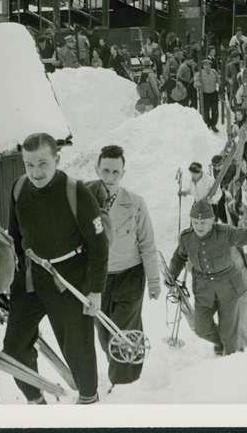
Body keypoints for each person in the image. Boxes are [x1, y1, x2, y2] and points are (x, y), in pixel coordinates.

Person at [3, 133, 108, 405]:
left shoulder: (76, 192)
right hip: (31, 278)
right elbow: (15, 238)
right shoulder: (18, 189)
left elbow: (99, 246)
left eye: (42, 163)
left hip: (70, 278)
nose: (35, 172)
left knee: (77, 347)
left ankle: (88, 400)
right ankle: (36, 400)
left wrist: (95, 291)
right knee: (13, 347)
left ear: (57, 159)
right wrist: (10, 277)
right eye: (29, 164)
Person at [86, 145, 160, 388]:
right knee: (104, 333)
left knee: (122, 330)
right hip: (99, 279)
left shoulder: (135, 203)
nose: (109, 177)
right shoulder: (85, 200)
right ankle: (121, 369)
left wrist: (154, 281)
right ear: (97, 169)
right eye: (105, 170)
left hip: (130, 275)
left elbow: (148, 244)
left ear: (123, 173)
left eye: (115, 172)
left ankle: (124, 383)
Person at [167, 200, 247, 356]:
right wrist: (172, 274)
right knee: (201, 327)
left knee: (231, 336)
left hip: (230, 287)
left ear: (212, 221)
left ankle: (231, 361)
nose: (199, 226)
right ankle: (221, 342)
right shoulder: (187, 238)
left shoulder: (225, 233)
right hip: (204, 289)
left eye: (203, 222)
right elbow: (179, 257)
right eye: (196, 222)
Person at [194, 58, 220, 131]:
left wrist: (220, 82)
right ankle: (207, 124)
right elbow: (195, 82)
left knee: (215, 110)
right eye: (205, 65)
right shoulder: (199, 73)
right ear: (203, 66)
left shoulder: (214, 72)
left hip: (213, 93)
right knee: (206, 111)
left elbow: (218, 80)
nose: (207, 67)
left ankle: (213, 124)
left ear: (210, 66)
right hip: (205, 94)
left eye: (208, 65)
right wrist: (197, 84)